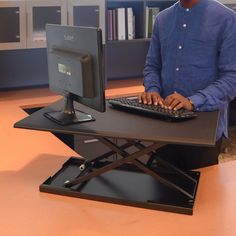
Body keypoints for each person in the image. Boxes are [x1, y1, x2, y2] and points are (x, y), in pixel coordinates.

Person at [139, 0, 236, 169]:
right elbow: (152, 66)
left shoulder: (227, 19)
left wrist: (193, 101)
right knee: (161, 188)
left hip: (204, 127)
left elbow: (232, 77)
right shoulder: (162, 19)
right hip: (164, 123)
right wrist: (152, 89)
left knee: (202, 192)